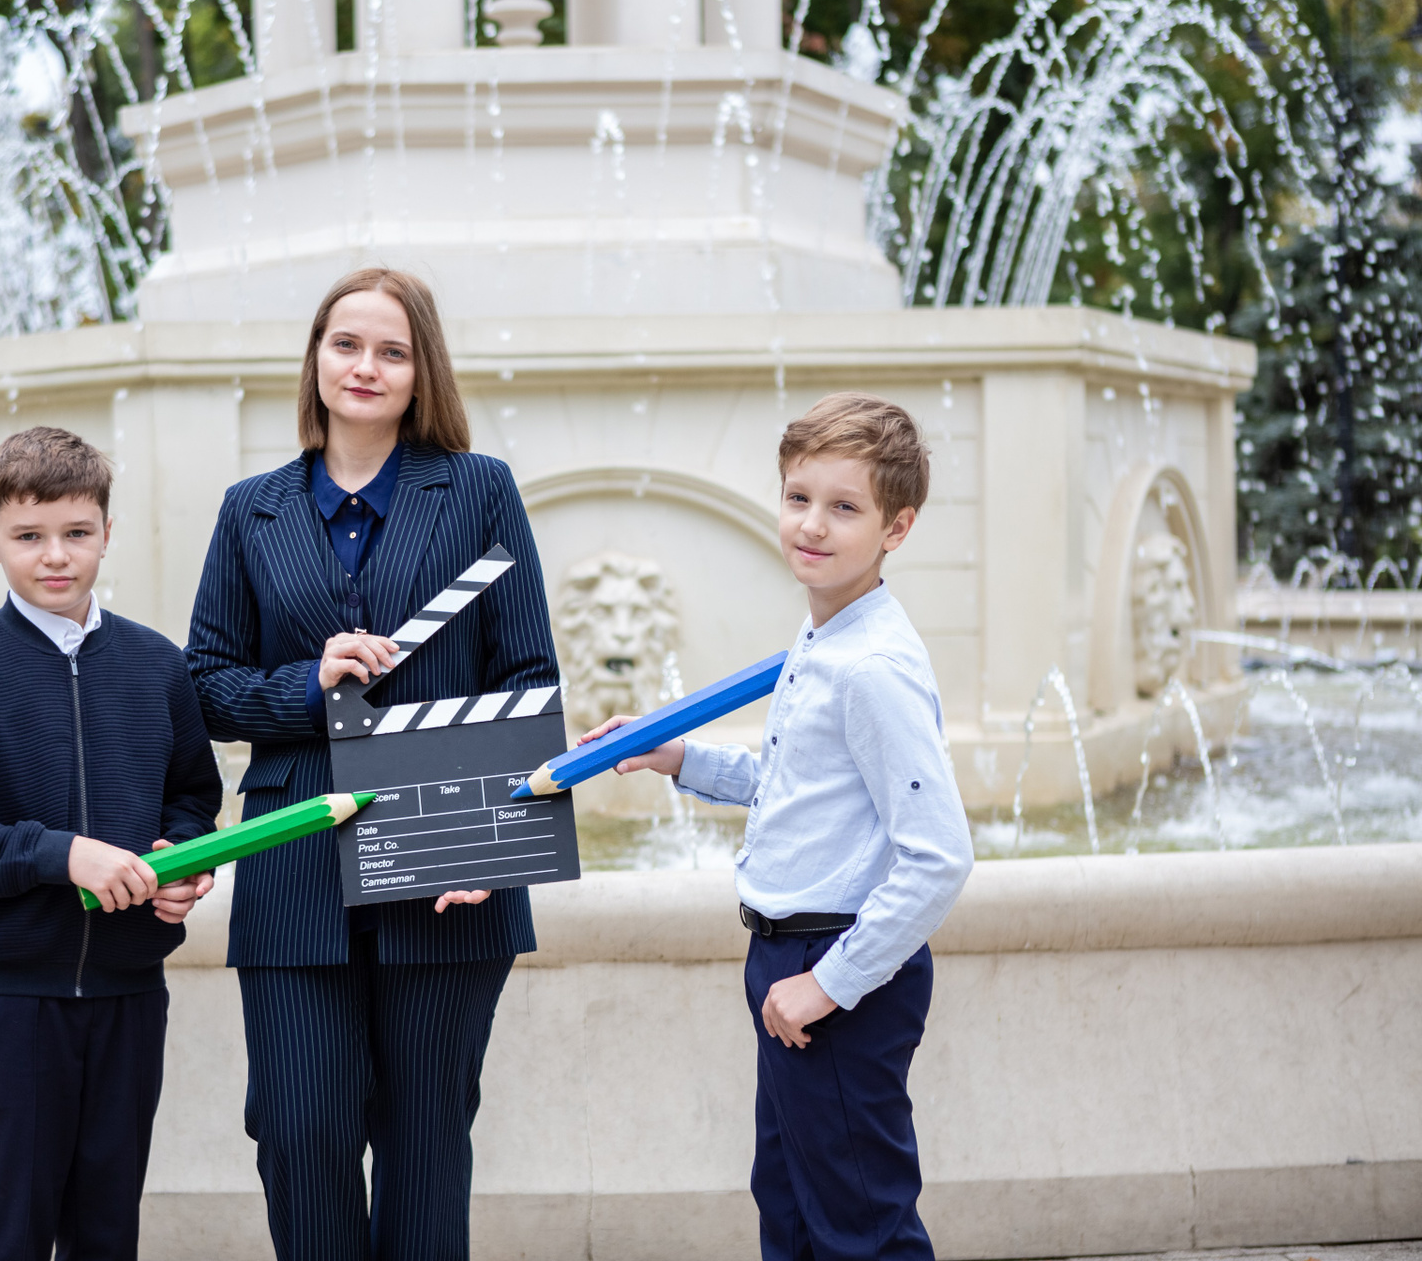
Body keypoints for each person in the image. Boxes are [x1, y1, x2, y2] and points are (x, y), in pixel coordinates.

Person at [186, 267, 558, 1261]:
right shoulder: (250, 510)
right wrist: (306, 684)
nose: (366, 366)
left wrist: (495, 840)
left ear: (421, 369)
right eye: (347, 343)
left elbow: (528, 675)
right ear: (316, 356)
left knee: (425, 1144)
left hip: (449, 863)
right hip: (294, 859)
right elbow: (207, 685)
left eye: (392, 350)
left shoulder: (480, 490)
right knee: (297, 1132)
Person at [583, 392, 973, 1261]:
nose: (813, 525)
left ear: (897, 527)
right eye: (799, 497)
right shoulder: (821, 637)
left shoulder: (871, 667)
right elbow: (795, 787)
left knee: (861, 1229)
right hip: (790, 955)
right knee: (792, 1209)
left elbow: (940, 857)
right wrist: (677, 756)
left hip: (834, 965)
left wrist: (829, 984)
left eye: (845, 508)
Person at [0, 426, 224, 1261]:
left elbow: (193, 796)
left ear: (107, 533)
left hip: (130, 995)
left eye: (77, 533)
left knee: (108, 1233)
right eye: (29, 536)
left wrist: (182, 863)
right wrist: (62, 854)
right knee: (8, 1235)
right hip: (12, 1003)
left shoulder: (158, 666)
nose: (55, 556)